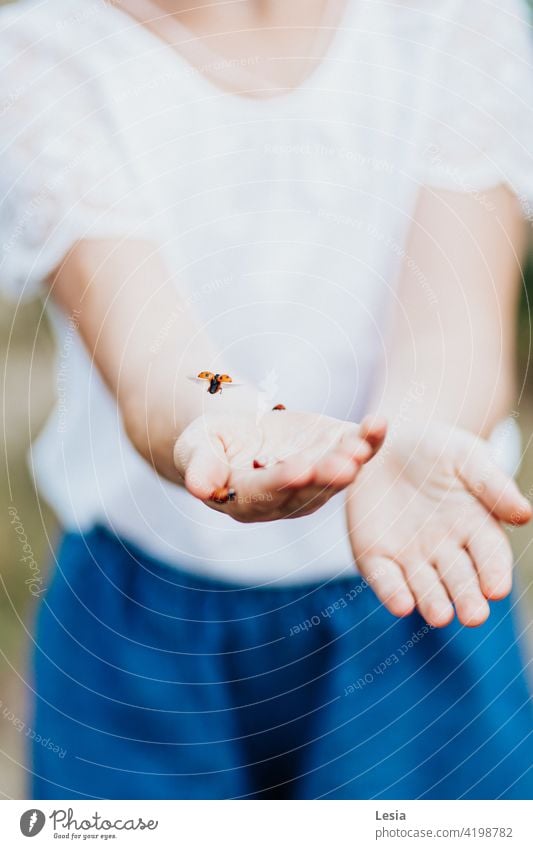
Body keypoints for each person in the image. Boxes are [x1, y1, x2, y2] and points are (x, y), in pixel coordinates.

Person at [1, 0, 532, 799]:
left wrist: (415, 429)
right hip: (142, 624)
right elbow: (156, 351)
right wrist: (228, 418)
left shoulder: (451, 18)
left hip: (419, 586)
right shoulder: (47, 46)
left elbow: (453, 324)